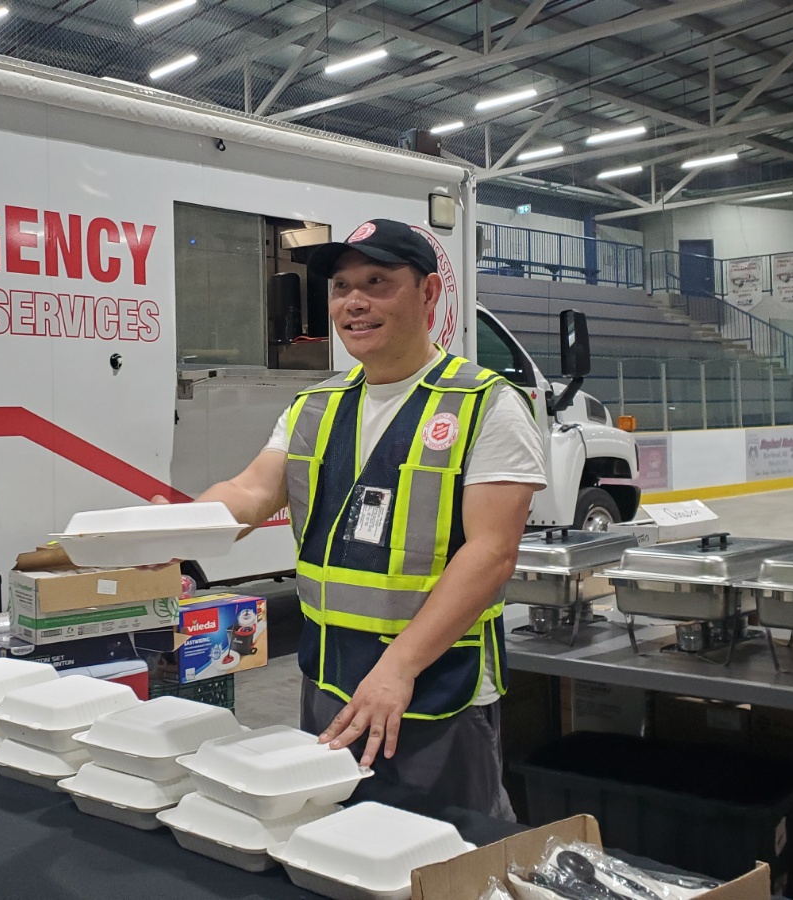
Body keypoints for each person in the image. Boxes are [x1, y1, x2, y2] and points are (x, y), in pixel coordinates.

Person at [190, 218, 547, 818]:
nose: (354, 302)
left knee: (444, 860)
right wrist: (177, 528)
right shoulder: (315, 406)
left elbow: (491, 553)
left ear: (429, 293)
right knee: (339, 846)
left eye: (378, 282)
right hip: (330, 680)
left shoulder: (486, 404)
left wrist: (399, 668)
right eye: (341, 287)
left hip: (435, 688)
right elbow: (251, 491)